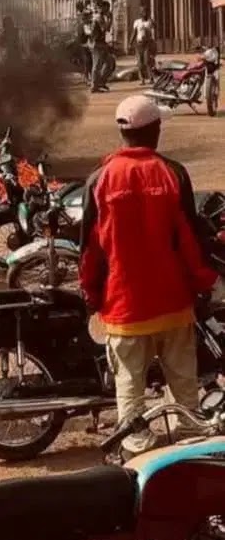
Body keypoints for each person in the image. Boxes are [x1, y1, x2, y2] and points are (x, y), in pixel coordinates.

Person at [80, 95, 217, 454]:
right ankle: (192, 454)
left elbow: (89, 249)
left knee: (129, 387)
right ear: (155, 130)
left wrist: (92, 295)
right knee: (185, 387)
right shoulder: (172, 173)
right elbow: (190, 238)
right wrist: (203, 282)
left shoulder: (100, 178)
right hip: (173, 304)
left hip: (124, 309)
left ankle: (137, 455)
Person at [89, 1, 113, 93]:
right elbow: (105, 29)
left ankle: (101, 82)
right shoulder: (98, 17)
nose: (108, 9)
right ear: (102, 7)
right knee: (97, 65)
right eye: (107, 7)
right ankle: (94, 86)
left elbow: (107, 29)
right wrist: (110, 19)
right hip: (97, 44)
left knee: (109, 62)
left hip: (102, 43)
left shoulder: (102, 17)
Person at [129, 7, 156, 85]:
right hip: (139, 44)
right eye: (142, 11)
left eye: (146, 11)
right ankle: (142, 79)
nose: (144, 13)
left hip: (147, 44)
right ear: (140, 13)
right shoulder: (137, 22)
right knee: (140, 63)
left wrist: (151, 20)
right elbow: (134, 33)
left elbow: (155, 27)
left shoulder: (150, 22)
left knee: (147, 61)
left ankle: (151, 78)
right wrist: (130, 43)